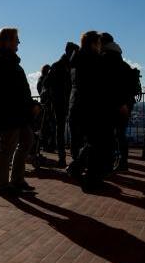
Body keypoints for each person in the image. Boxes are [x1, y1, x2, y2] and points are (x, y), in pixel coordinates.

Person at [66, 31, 129, 191]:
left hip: (79, 107)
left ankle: (76, 169)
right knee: (100, 145)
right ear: (94, 44)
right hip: (91, 109)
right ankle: (91, 181)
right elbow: (101, 87)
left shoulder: (77, 60)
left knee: (94, 143)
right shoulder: (93, 60)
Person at [0, 28, 38, 196]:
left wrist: (30, 104)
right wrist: (26, 105)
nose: (18, 42)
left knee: (27, 140)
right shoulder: (0, 62)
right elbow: (6, 92)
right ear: (8, 41)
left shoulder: (10, 62)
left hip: (18, 112)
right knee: (7, 147)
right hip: (9, 112)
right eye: (16, 39)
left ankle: (16, 179)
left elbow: (21, 90)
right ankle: (2, 185)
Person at [100, 33, 139, 171]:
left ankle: (109, 162)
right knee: (120, 134)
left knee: (108, 135)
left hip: (112, 104)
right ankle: (123, 162)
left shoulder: (104, 60)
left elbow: (110, 85)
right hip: (125, 104)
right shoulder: (123, 63)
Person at [47, 42, 78, 167]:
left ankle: (65, 158)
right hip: (63, 102)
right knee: (68, 130)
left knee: (63, 131)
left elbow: (46, 83)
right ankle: (66, 157)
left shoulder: (58, 66)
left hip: (63, 102)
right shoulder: (63, 66)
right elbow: (47, 84)